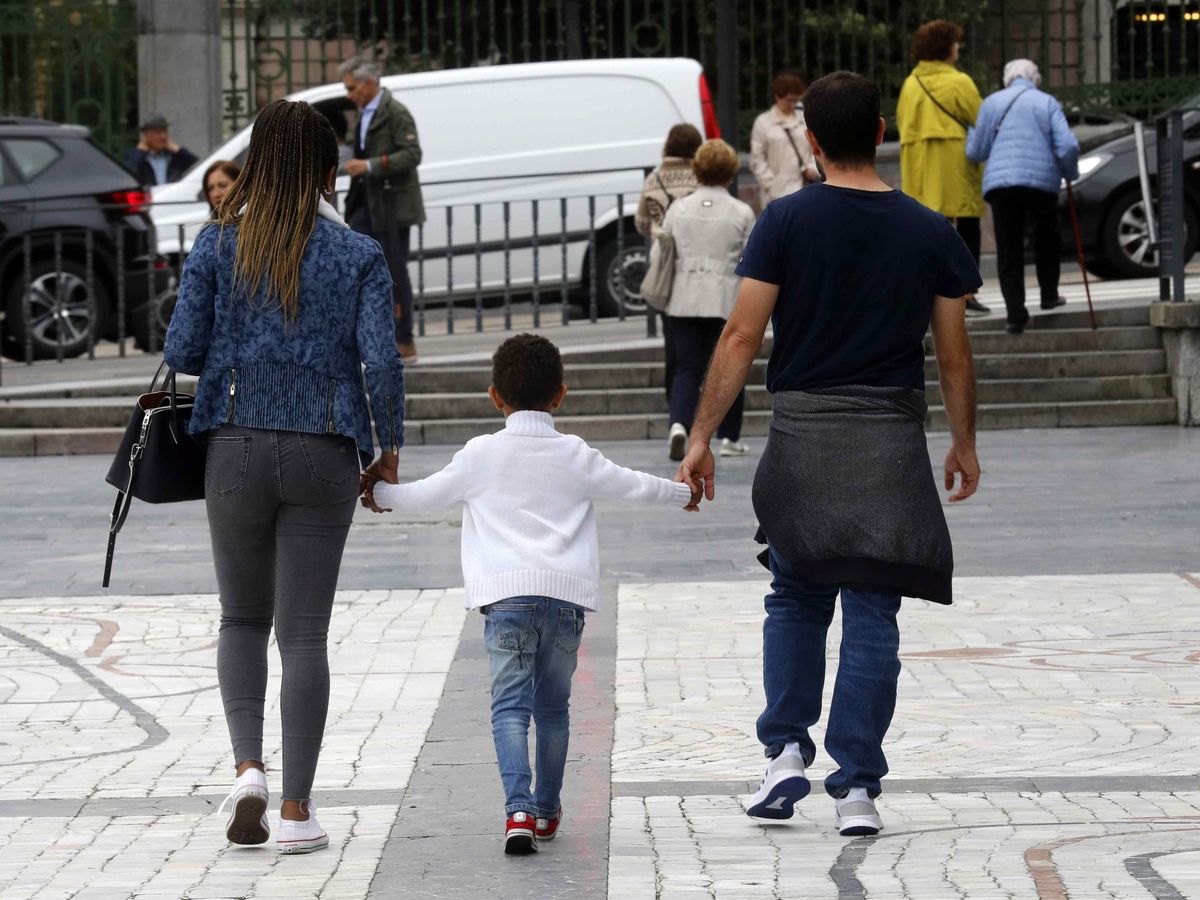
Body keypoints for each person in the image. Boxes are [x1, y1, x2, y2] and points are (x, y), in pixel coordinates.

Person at [675, 71, 981, 837]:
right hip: (889, 436)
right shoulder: (930, 231)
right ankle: (857, 787)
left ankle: (782, 753)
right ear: (882, 130)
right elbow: (953, 356)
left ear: (810, 138)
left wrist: (704, 434)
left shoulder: (786, 222)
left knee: (796, 595)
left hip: (804, 433)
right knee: (874, 611)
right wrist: (964, 442)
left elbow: (742, 336)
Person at [163, 99, 405, 855]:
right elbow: (383, 361)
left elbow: (183, 348)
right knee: (304, 634)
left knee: (242, 618)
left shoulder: (215, 244)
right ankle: (298, 813)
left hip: (232, 442)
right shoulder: (359, 254)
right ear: (328, 170)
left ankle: (247, 772)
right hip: (324, 446)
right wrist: (387, 447)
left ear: (257, 164)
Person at [360, 333, 697, 855]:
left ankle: (517, 810)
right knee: (555, 710)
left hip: (507, 602)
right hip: (564, 603)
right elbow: (633, 484)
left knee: (509, 709)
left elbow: (423, 495)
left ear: (495, 397)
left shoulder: (479, 454)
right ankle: (547, 809)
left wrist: (377, 491)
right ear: (560, 395)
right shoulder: (575, 454)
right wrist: (684, 492)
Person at [967, 60, 1079, 334]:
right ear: (1035, 78)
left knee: (1009, 248)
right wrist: (1069, 172)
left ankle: (1015, 315)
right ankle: (1049, 295)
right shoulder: (1047, 102)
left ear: (1006, 79)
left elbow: (975, 152)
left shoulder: (991, 103)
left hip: (1001, 185)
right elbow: (1067, 145)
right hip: (1041, 181)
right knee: (1047, 237)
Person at [661, 139, 756, 462]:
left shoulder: (679, 208)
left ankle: (678, 424)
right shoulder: (741, 211)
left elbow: (662, 251)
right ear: (730, 172)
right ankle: (729, 435)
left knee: (687, 367)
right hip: (725, 297)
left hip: (684, 296)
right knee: (730, 365)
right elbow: (751, 258)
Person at [896, 21, 991, 317]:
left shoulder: (911, 84)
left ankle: (928, 290)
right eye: (955, 43)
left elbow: (901, 123)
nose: (958, 48)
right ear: (946, 47)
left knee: (926, 229)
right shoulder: (958, 82)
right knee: (966, 227)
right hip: (954, 165)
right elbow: (982, 118)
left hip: (919, 168)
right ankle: (966, 292)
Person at [338, 57, 425, 363]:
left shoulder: (395, 112)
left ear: (368, 82)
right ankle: (369, 336)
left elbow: (412, 154)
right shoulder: (365, 114)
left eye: (351, 87)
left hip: (390, 207)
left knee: (394, 272)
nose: (349, 94)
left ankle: (404, 339)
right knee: (360, 270)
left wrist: (371, 166)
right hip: (366, 204)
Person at [635, 123, 703, 408]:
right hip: (697, 259)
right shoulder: (701, 177)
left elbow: (641, 222)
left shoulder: (653, 179)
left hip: (664, 262)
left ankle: (674, 407)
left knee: (673, 341)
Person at [750, 71, 821, 205]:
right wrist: (770, 184)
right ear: (777, 96)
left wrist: (812, 168)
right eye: (789, 100)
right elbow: (757, 158)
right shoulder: (763, 122)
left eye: (796, 100)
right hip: (775, 194)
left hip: (805, 188)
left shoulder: (804, 119)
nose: (792, 104)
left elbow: (816, 148)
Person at [123, 113, 199, 186]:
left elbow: (197, 166)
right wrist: (140, 151)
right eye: (158, 132)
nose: (163, 136)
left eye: (165, 132)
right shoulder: (134, 156)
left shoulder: (175, 157)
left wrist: (178, 150)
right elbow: (129, 173)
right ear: (146, 135)